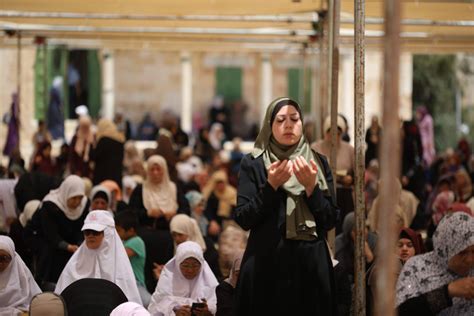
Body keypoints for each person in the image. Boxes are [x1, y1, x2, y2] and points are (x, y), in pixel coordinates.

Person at [234, 97, 338, 315]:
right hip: (267, 266)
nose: (289, 125)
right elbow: (244, 218)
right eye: (280, 120)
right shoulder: (254, 162)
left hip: (309, 268)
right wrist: (270, 187)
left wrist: (312, 188)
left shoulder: (317, 162)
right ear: (269, 126)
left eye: (294, 119)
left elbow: (330, 220)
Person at [55, 211, 142, 304]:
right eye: (87, 232)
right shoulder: (74, 263)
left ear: (108, 233)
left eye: (95, 232)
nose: (90, 236)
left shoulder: (120, 265)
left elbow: (128, 302)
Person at [396, 212, 474, 315]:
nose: (469, 260)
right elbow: (401, 312)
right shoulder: (417, 268)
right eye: (461, 253)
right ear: (446, 249)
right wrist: (448, 292)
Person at [33, 175, 90, 285]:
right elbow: (50, 233)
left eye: (80, 198)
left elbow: (82, 228)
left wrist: (79, 244)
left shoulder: (84, 204)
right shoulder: (50, 205)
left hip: (74, 249)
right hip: (52, 248)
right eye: (74, 198)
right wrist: (67, 246)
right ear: (66, 194)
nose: (77, 202)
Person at [148, 241, 219, 316]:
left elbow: (218, 307)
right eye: (185, 265)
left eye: (195, 266)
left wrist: (208, 313)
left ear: (201, 266)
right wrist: (174, 313)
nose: (190, 270)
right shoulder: (167, 282)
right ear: (177, 264)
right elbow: (154, 310)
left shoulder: (209, 283)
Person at [312, 115, 355, 234]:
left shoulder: (349, 150)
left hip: (343, 195)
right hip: (323, 193)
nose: (334, 136)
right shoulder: (315, 148)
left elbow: (357, 175)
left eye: (338, 133)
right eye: (330, 132)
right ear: (325, 132)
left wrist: (350, 179)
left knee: (342, 228)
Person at [129, 155, 179, 229]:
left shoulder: (173, 188)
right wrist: (147, 213)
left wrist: (175, 213)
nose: (155, 173)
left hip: (171, 231)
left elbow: (185, 209)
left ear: (164, 170)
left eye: (158, 169)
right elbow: (131, 212)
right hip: (147, 230)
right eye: (152, 169)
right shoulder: (141, 189)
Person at [115, 210, 151, 307]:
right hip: (124, 282)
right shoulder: (122, 241)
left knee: (148, 303)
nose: (116, 233)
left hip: (135, 283)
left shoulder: (137, 241)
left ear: (131, 230)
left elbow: (119, 257)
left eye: (118, 230)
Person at [0, 236, 42, 315]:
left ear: (12, 258)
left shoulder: (22, 276)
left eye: (4, 258)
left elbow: (36, 302)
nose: (0, 263)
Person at [93, 118, 125, 187]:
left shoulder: (103, 140)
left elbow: (94, 156)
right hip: (116, 178)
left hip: (103, 178)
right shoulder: (120, 141)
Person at [216, 251, 244, 316]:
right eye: (237, 275)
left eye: (243, 275)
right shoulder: (224, 288)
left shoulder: (252, 287)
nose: (240, 279)